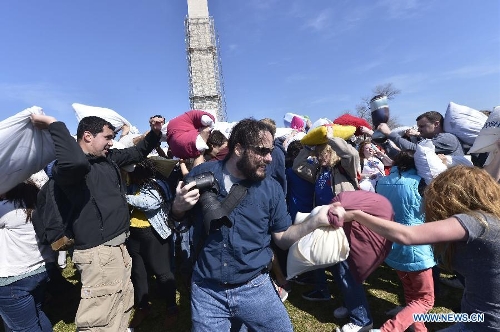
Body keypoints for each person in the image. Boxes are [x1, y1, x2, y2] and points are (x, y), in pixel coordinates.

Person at [170, 118, 332, 331]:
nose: (269, 158)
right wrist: (178, 207)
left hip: (254, 286)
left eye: (271, 151)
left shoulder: (272, 189)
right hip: (207, 290)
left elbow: (282, 239)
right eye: (262, 151)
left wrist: (315, 221)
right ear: (238, 149)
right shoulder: (201, 174)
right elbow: (177, 220)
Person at [30, 113, 162, 331]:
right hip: (98, 253)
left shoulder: (108, 158)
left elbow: (137, 152)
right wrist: (54, 124)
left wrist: (155, 133)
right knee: (99, 320)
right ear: (88, 136)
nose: (111, 143)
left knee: (121, 306)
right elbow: (75, 161)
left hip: (118, 248)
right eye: (107, 137)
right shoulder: (69, 169)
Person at [330, 165, 500, 332]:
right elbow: (488, 178)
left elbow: (407, 235)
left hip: (482, 324)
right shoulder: (489, 220)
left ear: (457, 197)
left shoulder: (477, 222)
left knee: (423, 301)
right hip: (474, 316)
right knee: (424, 302)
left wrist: (355, 214)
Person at [375, 151, 436, 332]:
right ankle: (389, 329)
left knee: (410, 291)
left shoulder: (381, 181)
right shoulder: (421, 183)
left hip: (392, 243)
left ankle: (418, 328)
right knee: (426, 299)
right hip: (417, 246)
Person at [125, 158, 178, 330]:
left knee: (163, 273)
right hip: (134, 235)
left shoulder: (157, 185)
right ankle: (143, 307)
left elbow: (150, 203)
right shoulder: (134, 186)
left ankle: (171, 309)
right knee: (138, 273)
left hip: (153, 235)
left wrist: (123, 197)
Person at [0, 180, 55, 332]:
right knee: (37, 315)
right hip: (40, 270)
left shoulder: (6, 209)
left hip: (13, 280)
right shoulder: (36, 205)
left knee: (24, 327)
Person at [377, 111, 464, 156]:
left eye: (422, 126)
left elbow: (414, 149)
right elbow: (405, 155)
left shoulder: (447, 138)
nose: (419, 129)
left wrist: (389, 133)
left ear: (436, 124)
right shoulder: (428, 141)